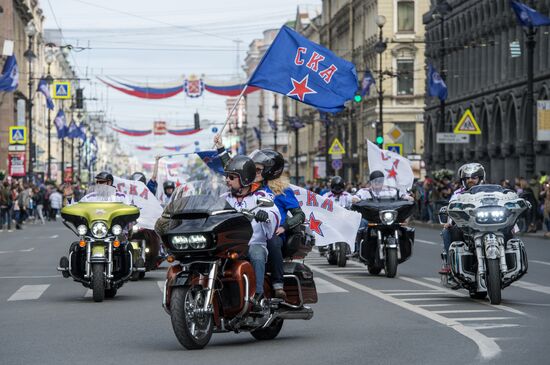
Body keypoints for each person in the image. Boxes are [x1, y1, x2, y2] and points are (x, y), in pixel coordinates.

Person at [222, 155, 280, 310]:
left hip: (252, 243)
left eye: (232, 177)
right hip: (227, 245)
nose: (227, 180)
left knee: (257, 254)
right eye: (227, 176)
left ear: (245, 178)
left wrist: (266, 216)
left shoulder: (260, 196)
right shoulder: (224, 198)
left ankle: (258, 296)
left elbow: (274, 214)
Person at [249, 149, 306, 301]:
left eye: (258, 169)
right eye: (253, 168)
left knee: (273, 240)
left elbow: (300, 215)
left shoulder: (281, 190)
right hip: (249, 232)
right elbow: (232, 171)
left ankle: (278, 284)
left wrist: (284, 227)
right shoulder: (246, 187)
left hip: (272, 231)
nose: (254, 172)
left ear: (270, 170)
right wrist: (221, 149)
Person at [439, 163, 485, 274]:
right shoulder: (457, 194)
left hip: (485, 224)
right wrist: (448, 222)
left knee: (508, 232)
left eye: (474, 177)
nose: (470, 180)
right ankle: (449, 263)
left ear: (480, 178)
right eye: (467, 178)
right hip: (465, 226)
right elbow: (451, 208)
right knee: (447, 231)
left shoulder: (490, 192)